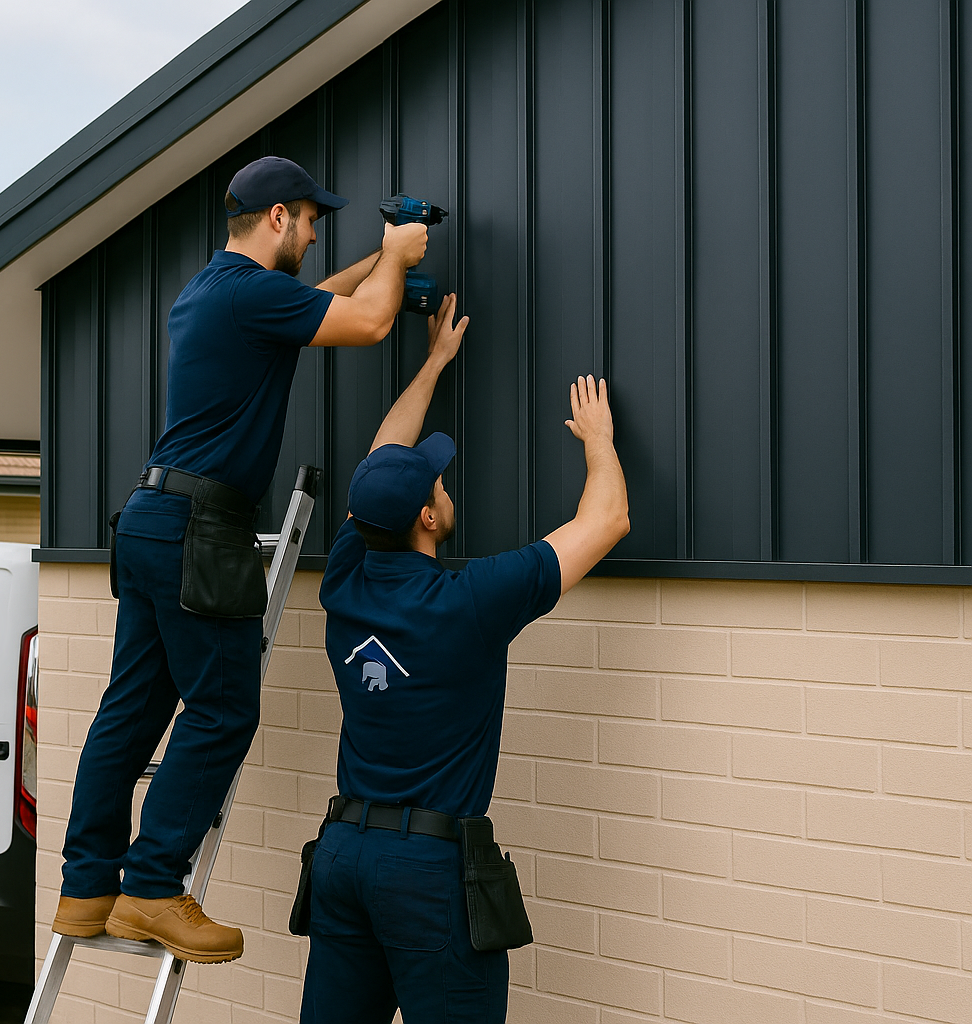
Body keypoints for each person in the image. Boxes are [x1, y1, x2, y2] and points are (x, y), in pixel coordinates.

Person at [53, 156, 432, 963]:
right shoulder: (251, 296)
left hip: (151, 519)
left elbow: (322, 300)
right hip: (200, 527)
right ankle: (151, 888)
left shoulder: (211, 291)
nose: (316, 233)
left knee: (130, 713)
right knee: (223, 710)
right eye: (312, 219)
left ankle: (86, 889)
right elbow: (367, 323)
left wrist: (381, 258)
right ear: (279, 218)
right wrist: (399, 259)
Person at [301, 294, 630, 1023]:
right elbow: (607, 519)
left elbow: (379, 463)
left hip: (342, 857)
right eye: (438, 486)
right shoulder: (468, 602)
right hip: (423, 873)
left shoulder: (344, 580)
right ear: (427, 516)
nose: (445, 489)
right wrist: (599, 439)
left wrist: (435, 362)